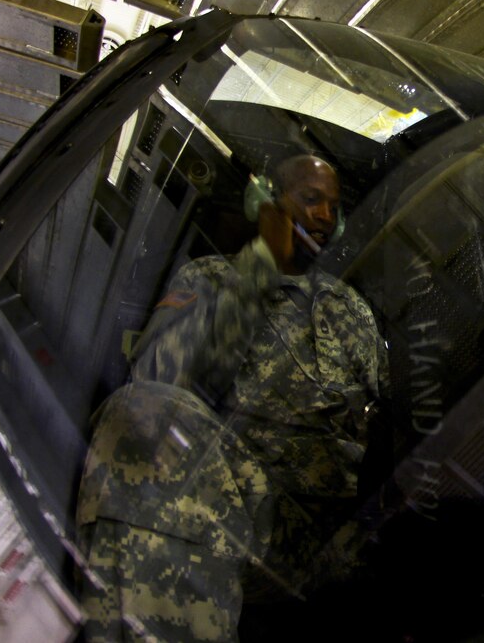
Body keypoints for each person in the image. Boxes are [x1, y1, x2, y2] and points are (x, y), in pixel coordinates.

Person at [76, 155, 387, 641]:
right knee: (140, 415)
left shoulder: (350, 310)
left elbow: (378, 424)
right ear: (266, 203)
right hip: (238, 504)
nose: (325, 216)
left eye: (333, 206)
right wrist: (262, 264)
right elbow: (160, 382)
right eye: (310, 200)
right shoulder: (210, 278)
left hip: (332, 535)